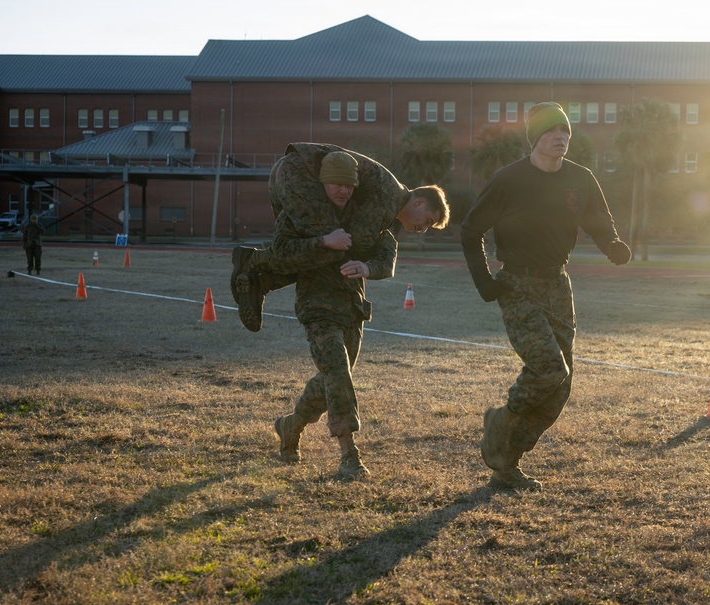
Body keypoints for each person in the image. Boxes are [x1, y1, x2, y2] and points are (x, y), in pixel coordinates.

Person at [230, 143, 449, 478]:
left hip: (353, 306)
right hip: (318, 305)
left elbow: (386, 256)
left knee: (334, 377)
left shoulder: (374, 218)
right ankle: (349, 454)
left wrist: (366, 266)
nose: (424, 228)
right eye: (427, 220)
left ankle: (292, 425)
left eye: (349, 186)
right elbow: (286, 251)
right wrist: (324, 242)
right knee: (337, 371)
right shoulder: (313, 217)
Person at [460, 102, 631, 491]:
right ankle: (500, 420)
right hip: (517, 285)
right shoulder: (509, 180)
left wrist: (613, 245)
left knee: (561, 386)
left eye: (566, 132)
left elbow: (598, 222)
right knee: (549, 368)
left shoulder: (581, 178)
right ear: (535, 138)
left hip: (558, 284)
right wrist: (485, 282)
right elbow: (471, 231)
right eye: (552, 132)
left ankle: (507, 464)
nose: (561, 138)